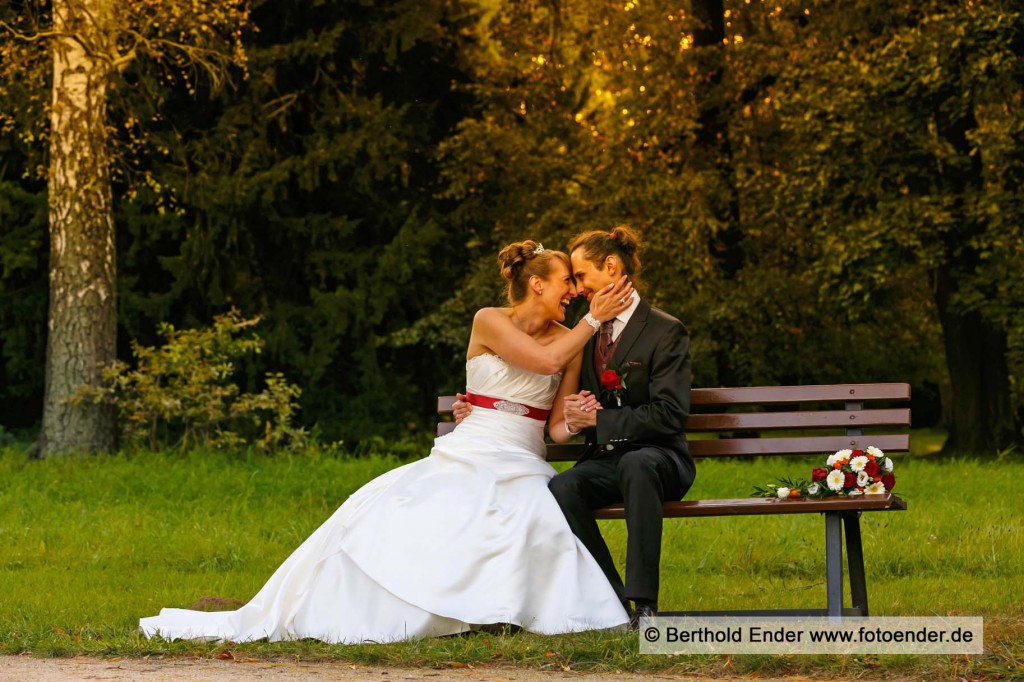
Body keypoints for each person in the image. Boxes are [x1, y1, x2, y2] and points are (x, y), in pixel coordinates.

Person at [139, 240, 634, 644]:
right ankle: (409, 608)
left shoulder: (571, 340)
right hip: (473, 448)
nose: (574, 291)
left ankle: (494, 613)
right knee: (421, 509)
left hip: (524, 458)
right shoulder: (490, 320)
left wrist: (578, 420)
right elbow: (539, 363)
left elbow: (553, 428)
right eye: (568, 281)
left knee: (533, 511)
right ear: (536, 283)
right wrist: (593, 321)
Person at [454, 226, 694, 628]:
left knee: (638, 466)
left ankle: (645, 607)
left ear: (611, 267)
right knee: (562, 488)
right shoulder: (586, 331)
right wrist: (480, 408)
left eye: (581, 276)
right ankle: (615, 601)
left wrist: (599, 420)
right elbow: (554, 397)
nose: (578, 288)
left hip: (660, 458)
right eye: (572, 279)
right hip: (607, 458)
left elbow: (670, 414)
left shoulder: (664, 330)